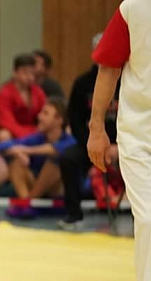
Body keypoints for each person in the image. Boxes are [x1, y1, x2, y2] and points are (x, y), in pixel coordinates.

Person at [87, 0, 151, 281]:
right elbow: (109, 67)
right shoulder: (133, 8)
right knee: (148, 220)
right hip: (138, 132)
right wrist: (97, 128)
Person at [58, 33, 119, 230]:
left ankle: (141, 220)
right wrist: (92, 143)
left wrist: (118, 145)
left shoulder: (127, 81)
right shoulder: (83, 83)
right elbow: (74, 120)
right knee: (68, 158)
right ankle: (73, 214)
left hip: (123, 144)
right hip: (91, 142)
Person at [0, 97, 75, 219]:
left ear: (59, 119)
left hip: (61, 197)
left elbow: (58, 150)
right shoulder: (37, 138)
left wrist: (26, 150)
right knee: (17, 161)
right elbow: (3, 146)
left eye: (45, 113)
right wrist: (18, 153)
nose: (39, 117)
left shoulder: (70, 140)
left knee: (57, 161)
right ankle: (27, 205)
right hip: (38, 192)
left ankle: (28, 202)